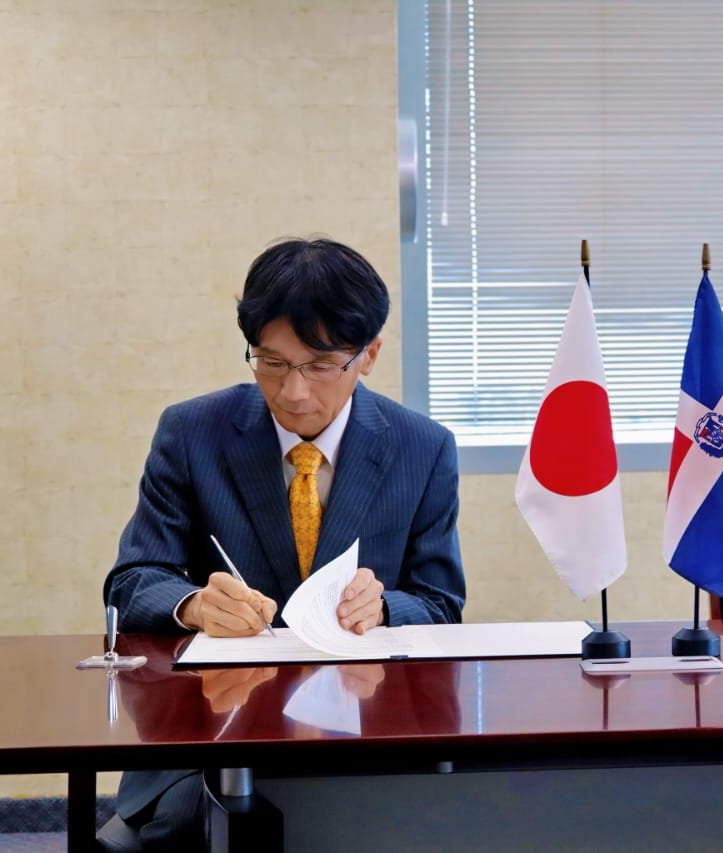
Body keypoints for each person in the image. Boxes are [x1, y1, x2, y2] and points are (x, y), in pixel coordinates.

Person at [101, 237, 464, 851]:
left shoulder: (422, 448)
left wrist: (382, 607)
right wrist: (194, 604)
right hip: (216, 738)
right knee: (208, 829)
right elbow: (131, 581)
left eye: (319, 366)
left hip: (366, 735)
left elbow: (441, 602)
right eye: (271, 363)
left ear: (369, 355)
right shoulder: (192, 433)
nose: (293, 391)